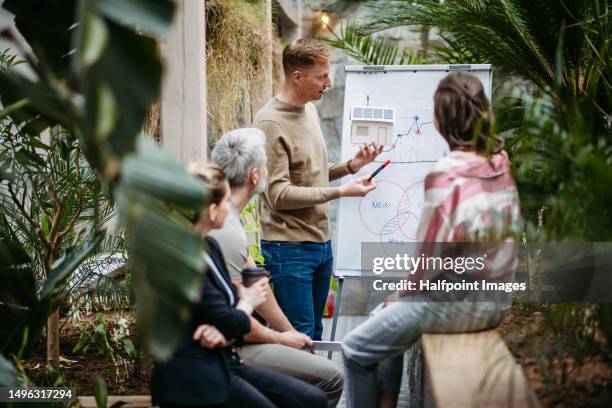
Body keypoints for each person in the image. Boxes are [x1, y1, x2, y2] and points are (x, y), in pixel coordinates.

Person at [341, 72, 523, 408]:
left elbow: (427, 260)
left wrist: (400, 296)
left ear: (440, 121)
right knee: (382, 317)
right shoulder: (500, 161)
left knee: (354, 348)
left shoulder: (447, 174)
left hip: (455, 305)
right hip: (496, 301)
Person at [151, 163, 327, 408]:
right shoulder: (183, 261)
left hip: (223, 359)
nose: (229, 208)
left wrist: (226, 324)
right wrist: (246, 303)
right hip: (195, 374)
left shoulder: (208, 247)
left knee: (312, 400)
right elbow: (232, 315)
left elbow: (227, 310)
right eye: (225, 202)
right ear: (212, 211)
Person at [254, 38, 383, 340]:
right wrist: (341, 192)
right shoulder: (270, 123)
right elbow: (280, 195)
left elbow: (310, 176)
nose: (329, 82)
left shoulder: (309, 110)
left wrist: (351, 166)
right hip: (289, 250)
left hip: (320, 246)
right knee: (299, 339)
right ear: (297, 77)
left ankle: (315, 390)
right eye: (322, 76)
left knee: (314, 333)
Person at [209, 128, 344, 407]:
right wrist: (281, 339)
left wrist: (288, 330)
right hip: (226, 349)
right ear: (255, 176)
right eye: (266, 166)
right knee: (331, 379)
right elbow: (239, 324)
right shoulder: (226, 228)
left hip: (233, 336)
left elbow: (256, 283)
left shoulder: (229, 215)